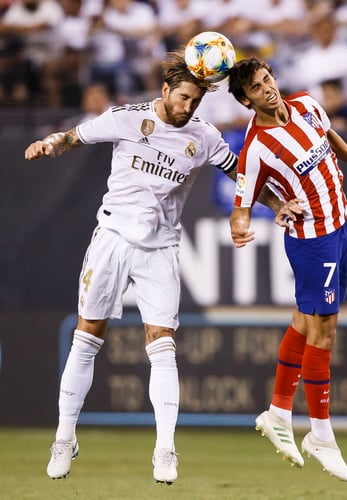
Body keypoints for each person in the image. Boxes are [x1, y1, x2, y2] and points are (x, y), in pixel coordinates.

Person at [24, 51, 288, 484]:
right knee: (87, 336)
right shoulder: (126, 119)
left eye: (196, 102)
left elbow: (239, 174)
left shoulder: (203, 137)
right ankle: (64, 437)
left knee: (161, 344)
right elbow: (73, 136)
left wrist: (275, 204)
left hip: (160, 248)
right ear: (165, 90)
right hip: (111, 239)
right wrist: (52, 143)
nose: (188, 108)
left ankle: (165, 449)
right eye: (183, 97)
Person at [227, 57, 347, 482]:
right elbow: (241, 203)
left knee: (304, 323)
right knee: (325, 331)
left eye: (268, 79)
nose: (268, 88)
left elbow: (329, 135)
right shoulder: (257, 148)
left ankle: (278, 413)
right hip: (311, 241)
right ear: (246, 100)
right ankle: (321, 435)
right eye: (257, 88)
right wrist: (243, 228)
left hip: (339, 229)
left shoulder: (305, 105)